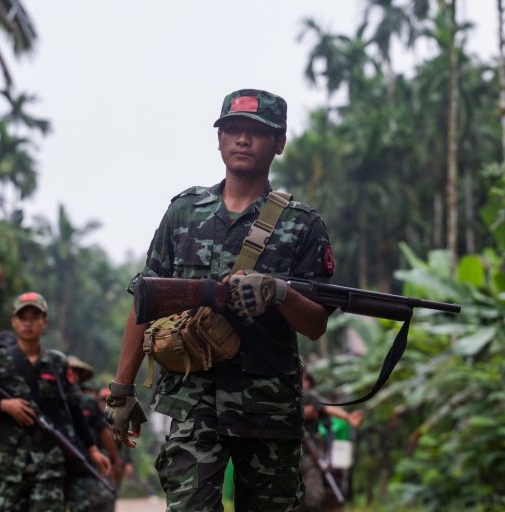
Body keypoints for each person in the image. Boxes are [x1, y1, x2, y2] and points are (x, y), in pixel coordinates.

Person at [104, 89, 335, 511]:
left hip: (268, 408)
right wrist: (121, 390)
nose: (242, 140)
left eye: (256, 132)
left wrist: (279, 292)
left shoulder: (302, 225)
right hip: (193, 402)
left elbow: (316, 324)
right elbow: (147, 301)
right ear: (219, 139)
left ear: (279, 143)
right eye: (232, 130)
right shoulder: (185, 212)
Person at [0, 292, 111, 512]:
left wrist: (92, 450)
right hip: (11, 464)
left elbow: (74, 409)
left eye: (35, 317)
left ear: (45, 322)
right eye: (23, 317)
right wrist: (4, 406)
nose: (28, 323)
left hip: (49, 464)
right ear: (14, 321)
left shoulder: (57, 363)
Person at [299, 371, 363, 512]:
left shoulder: (312, 398)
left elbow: (327, 407)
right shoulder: (285, 397)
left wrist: (347, 417)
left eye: (307, 380)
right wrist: (302, 413)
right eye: (302, 379)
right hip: (287, 451)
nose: (305, 383)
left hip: (311, 453)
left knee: (313, 495)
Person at [66, 355, 118, 512]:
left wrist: (114, 460)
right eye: (68, 371)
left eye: (75, 371)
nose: (71, 375)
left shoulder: (88, 403)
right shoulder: (51, 399)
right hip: (53, 465)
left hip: (84, 465)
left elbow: (105, 433)